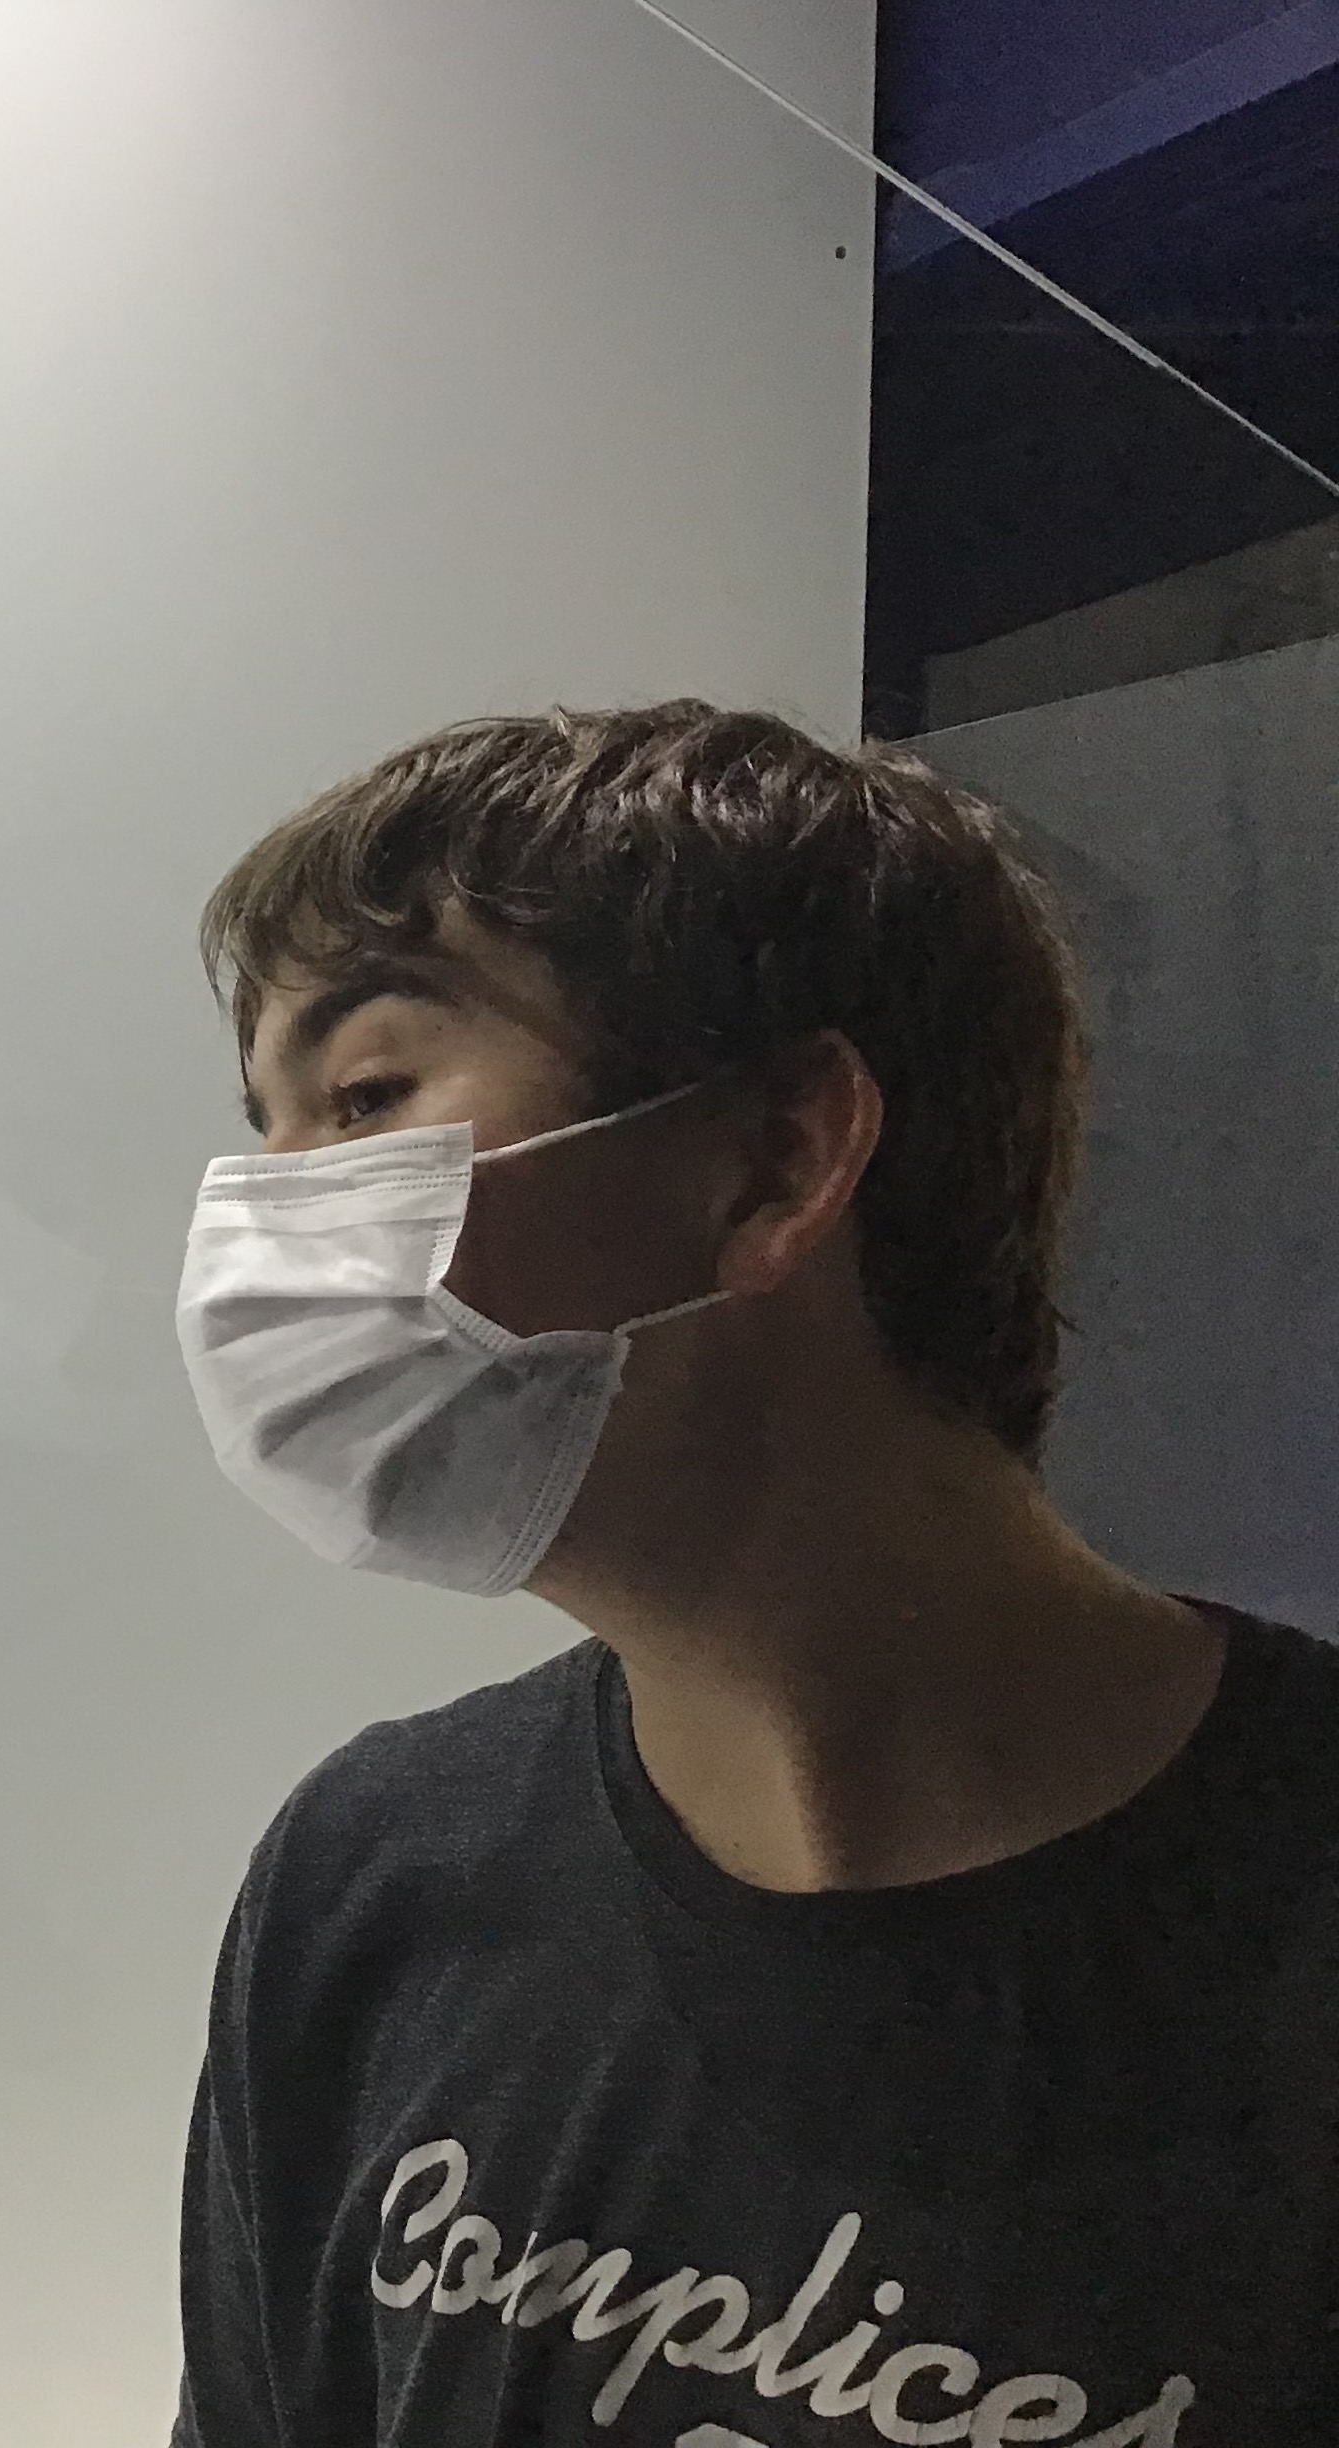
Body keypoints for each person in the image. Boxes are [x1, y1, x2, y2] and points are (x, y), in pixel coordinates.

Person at [164, 701, 1339, 2446]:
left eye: (368, 1098)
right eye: (270, 1130)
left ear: (780, 1160)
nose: (267, 1225)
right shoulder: (370, 1885)